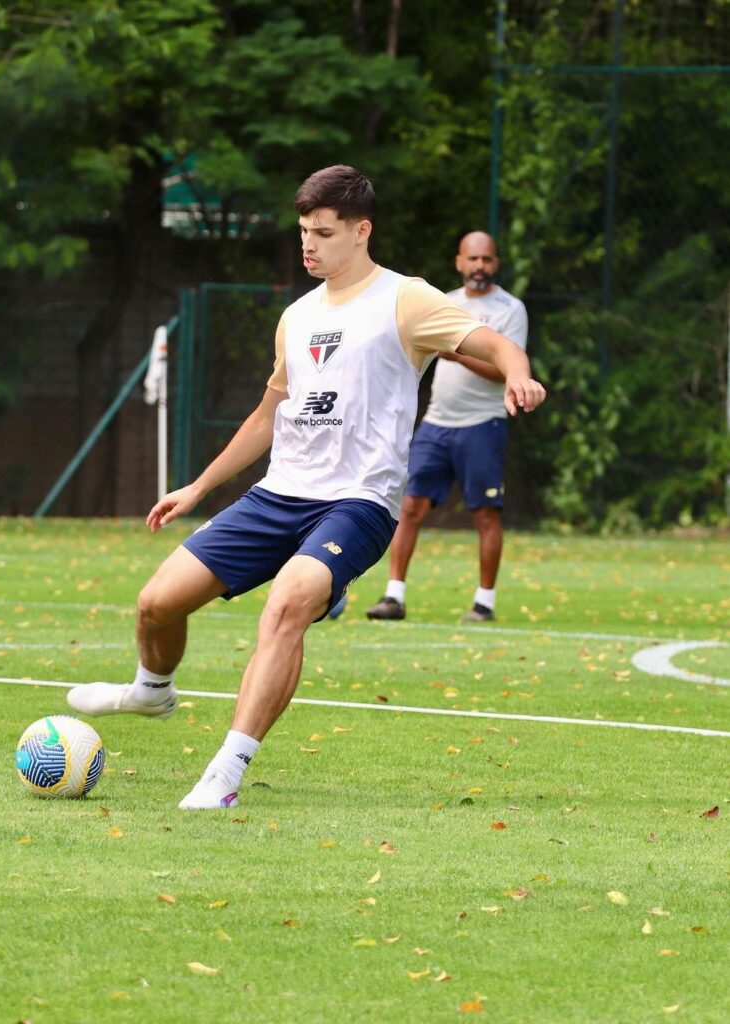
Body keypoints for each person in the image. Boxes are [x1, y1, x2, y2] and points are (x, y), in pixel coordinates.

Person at [66, 168, 545, 810]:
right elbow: (268, 416)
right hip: (277, 495)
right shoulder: (296, 316)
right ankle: (153, 689)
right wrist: (200, 487)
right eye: (303, 232)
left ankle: (224, 775)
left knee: (288, 602)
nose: (309, 245)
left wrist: (519, 375)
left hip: (358, 502)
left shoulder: (406, 299)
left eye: (322, 233)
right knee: (156, 604)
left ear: (361, 231)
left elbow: (492, 342)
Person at [366, 231, 528, 624]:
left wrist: (455, 353)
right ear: (459, 262)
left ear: (496, 264)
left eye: (487, 259)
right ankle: (394, 596)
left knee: (486, 513)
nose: (479, 267)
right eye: (473, 259)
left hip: (483, 424)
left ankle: (484, 602)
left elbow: (502, 369)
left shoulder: (510, 308)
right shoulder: (445, 304)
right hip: (436, 422)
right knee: (409, 506)